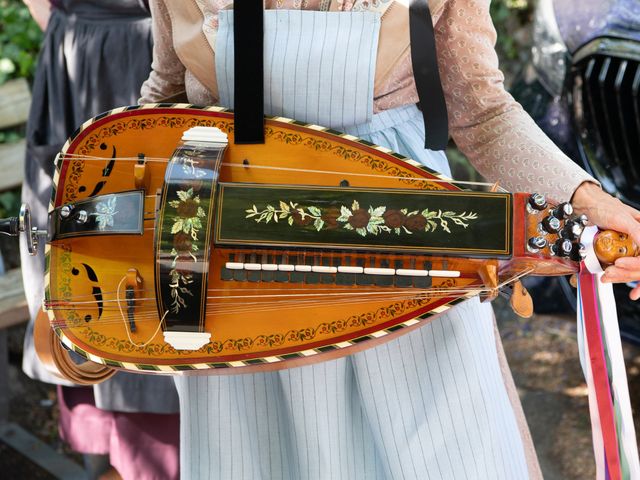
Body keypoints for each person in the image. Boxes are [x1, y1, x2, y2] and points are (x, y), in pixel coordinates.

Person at [139, 1, 640, 479]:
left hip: (406, 242)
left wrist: (587, 200)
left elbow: (482, 111)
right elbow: (166, 95)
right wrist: (109, 236)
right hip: (234, 265)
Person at [20, 1, 180, 478]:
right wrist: (86, 37)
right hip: (82, 59)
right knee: (88, 270)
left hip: (172, 57)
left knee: (165, 269)